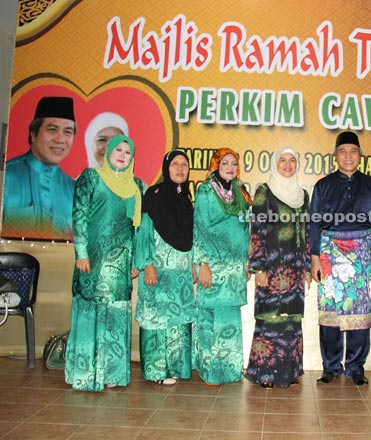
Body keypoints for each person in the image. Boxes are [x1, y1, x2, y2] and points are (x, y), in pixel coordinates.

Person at [65, 135, 144, 392]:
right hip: (94, 261)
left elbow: (136, 228)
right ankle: (85, 372)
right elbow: (79, 217)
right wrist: (81, 253)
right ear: (108, 152)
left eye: (127, 152)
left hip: (121, 266)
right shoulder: (92, 178)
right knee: (91, 312)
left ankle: (111, 373)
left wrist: (135, 259)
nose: (122, 155)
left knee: (116, 315)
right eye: (118, 150)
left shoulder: (136, 186)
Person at [310, 131, 371, 386]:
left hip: (362, 255)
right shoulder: (323, 185)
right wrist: (314, 257)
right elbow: (314, 224)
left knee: (359, 311)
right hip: (329, 252)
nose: (348, 156)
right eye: (343, 151)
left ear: (360, 155)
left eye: (353, 151)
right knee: (330, 312)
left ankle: (356, 366)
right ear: (335, 155)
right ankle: (330, 367)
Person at [245, 147, 311, 388]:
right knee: (270, 320)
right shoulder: (265, 191)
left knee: (292, 320)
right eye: (282, 160)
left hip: (294, 270)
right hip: (272, 270)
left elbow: (306, 234)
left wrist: (306, 266)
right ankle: (265, 374)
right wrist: (259, 267)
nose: (287, 164)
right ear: (275, 163)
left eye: (292, 160)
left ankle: (288, 372)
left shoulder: (303, 196)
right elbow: (257, 231)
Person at [134, 150, 196, 386]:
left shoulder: (187, 199)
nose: (180, 168)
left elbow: (191, 236)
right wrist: (146, 263)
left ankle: (177, 367)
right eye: (175, 164)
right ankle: (157, 371)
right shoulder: (154, 195)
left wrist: (192, 263)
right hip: (158, 271)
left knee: (178, 319)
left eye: (184, 164)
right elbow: (144, 233)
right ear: (166, 168)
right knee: (157, 319)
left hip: (180, 273)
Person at [192, 148, 252, 385]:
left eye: (234, 163)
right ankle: (211, 371)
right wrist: (202, 264)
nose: (230, 167)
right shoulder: (206, 191)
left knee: (230, 320)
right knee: (210, 319)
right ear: (215, 165)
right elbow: (199, 228)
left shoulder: (242, 193)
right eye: (224, 162)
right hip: (213, 267)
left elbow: (246, 230)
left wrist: (247, 262)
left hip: (235, 268)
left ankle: (230, 370)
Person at [2, 96, 76, 240]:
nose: (60, 139)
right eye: (52, 129)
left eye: (68, 132)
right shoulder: (7, 177)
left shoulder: (74, 189)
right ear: (33, 133)